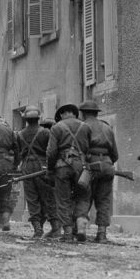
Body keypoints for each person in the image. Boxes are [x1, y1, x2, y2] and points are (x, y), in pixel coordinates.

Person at [47, 103, 91, 242]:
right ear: (74, 113)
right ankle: (81, 225)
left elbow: (51, 152)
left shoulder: (56, 127)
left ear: (61, 114)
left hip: (62, 166)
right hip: (81, 166)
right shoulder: (86, 127)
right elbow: (90, 149)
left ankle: (67, 232)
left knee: (63, 199)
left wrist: (50, 168)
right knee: (83, 196)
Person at [15, 106, 59, 239]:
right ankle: (55, 227)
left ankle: (37, 229)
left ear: (26, 119)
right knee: (48, 197)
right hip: (42, 167)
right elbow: (52, 151)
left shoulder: (20, 134)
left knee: (32, 198)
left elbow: (19, 154)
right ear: (38, 118)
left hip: (27, 166)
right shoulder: (46, 132)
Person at [78, 101, 119, 243]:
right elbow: (115, 155)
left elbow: (80, 150)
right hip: (107, 165)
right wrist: (105, 162)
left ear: (83, 113)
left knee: (84, 196)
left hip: (90, 165)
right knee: (104, 200)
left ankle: (81, 230)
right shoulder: (107, 128)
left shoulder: (82, 127)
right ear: (96, 113)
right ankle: (101, 234)